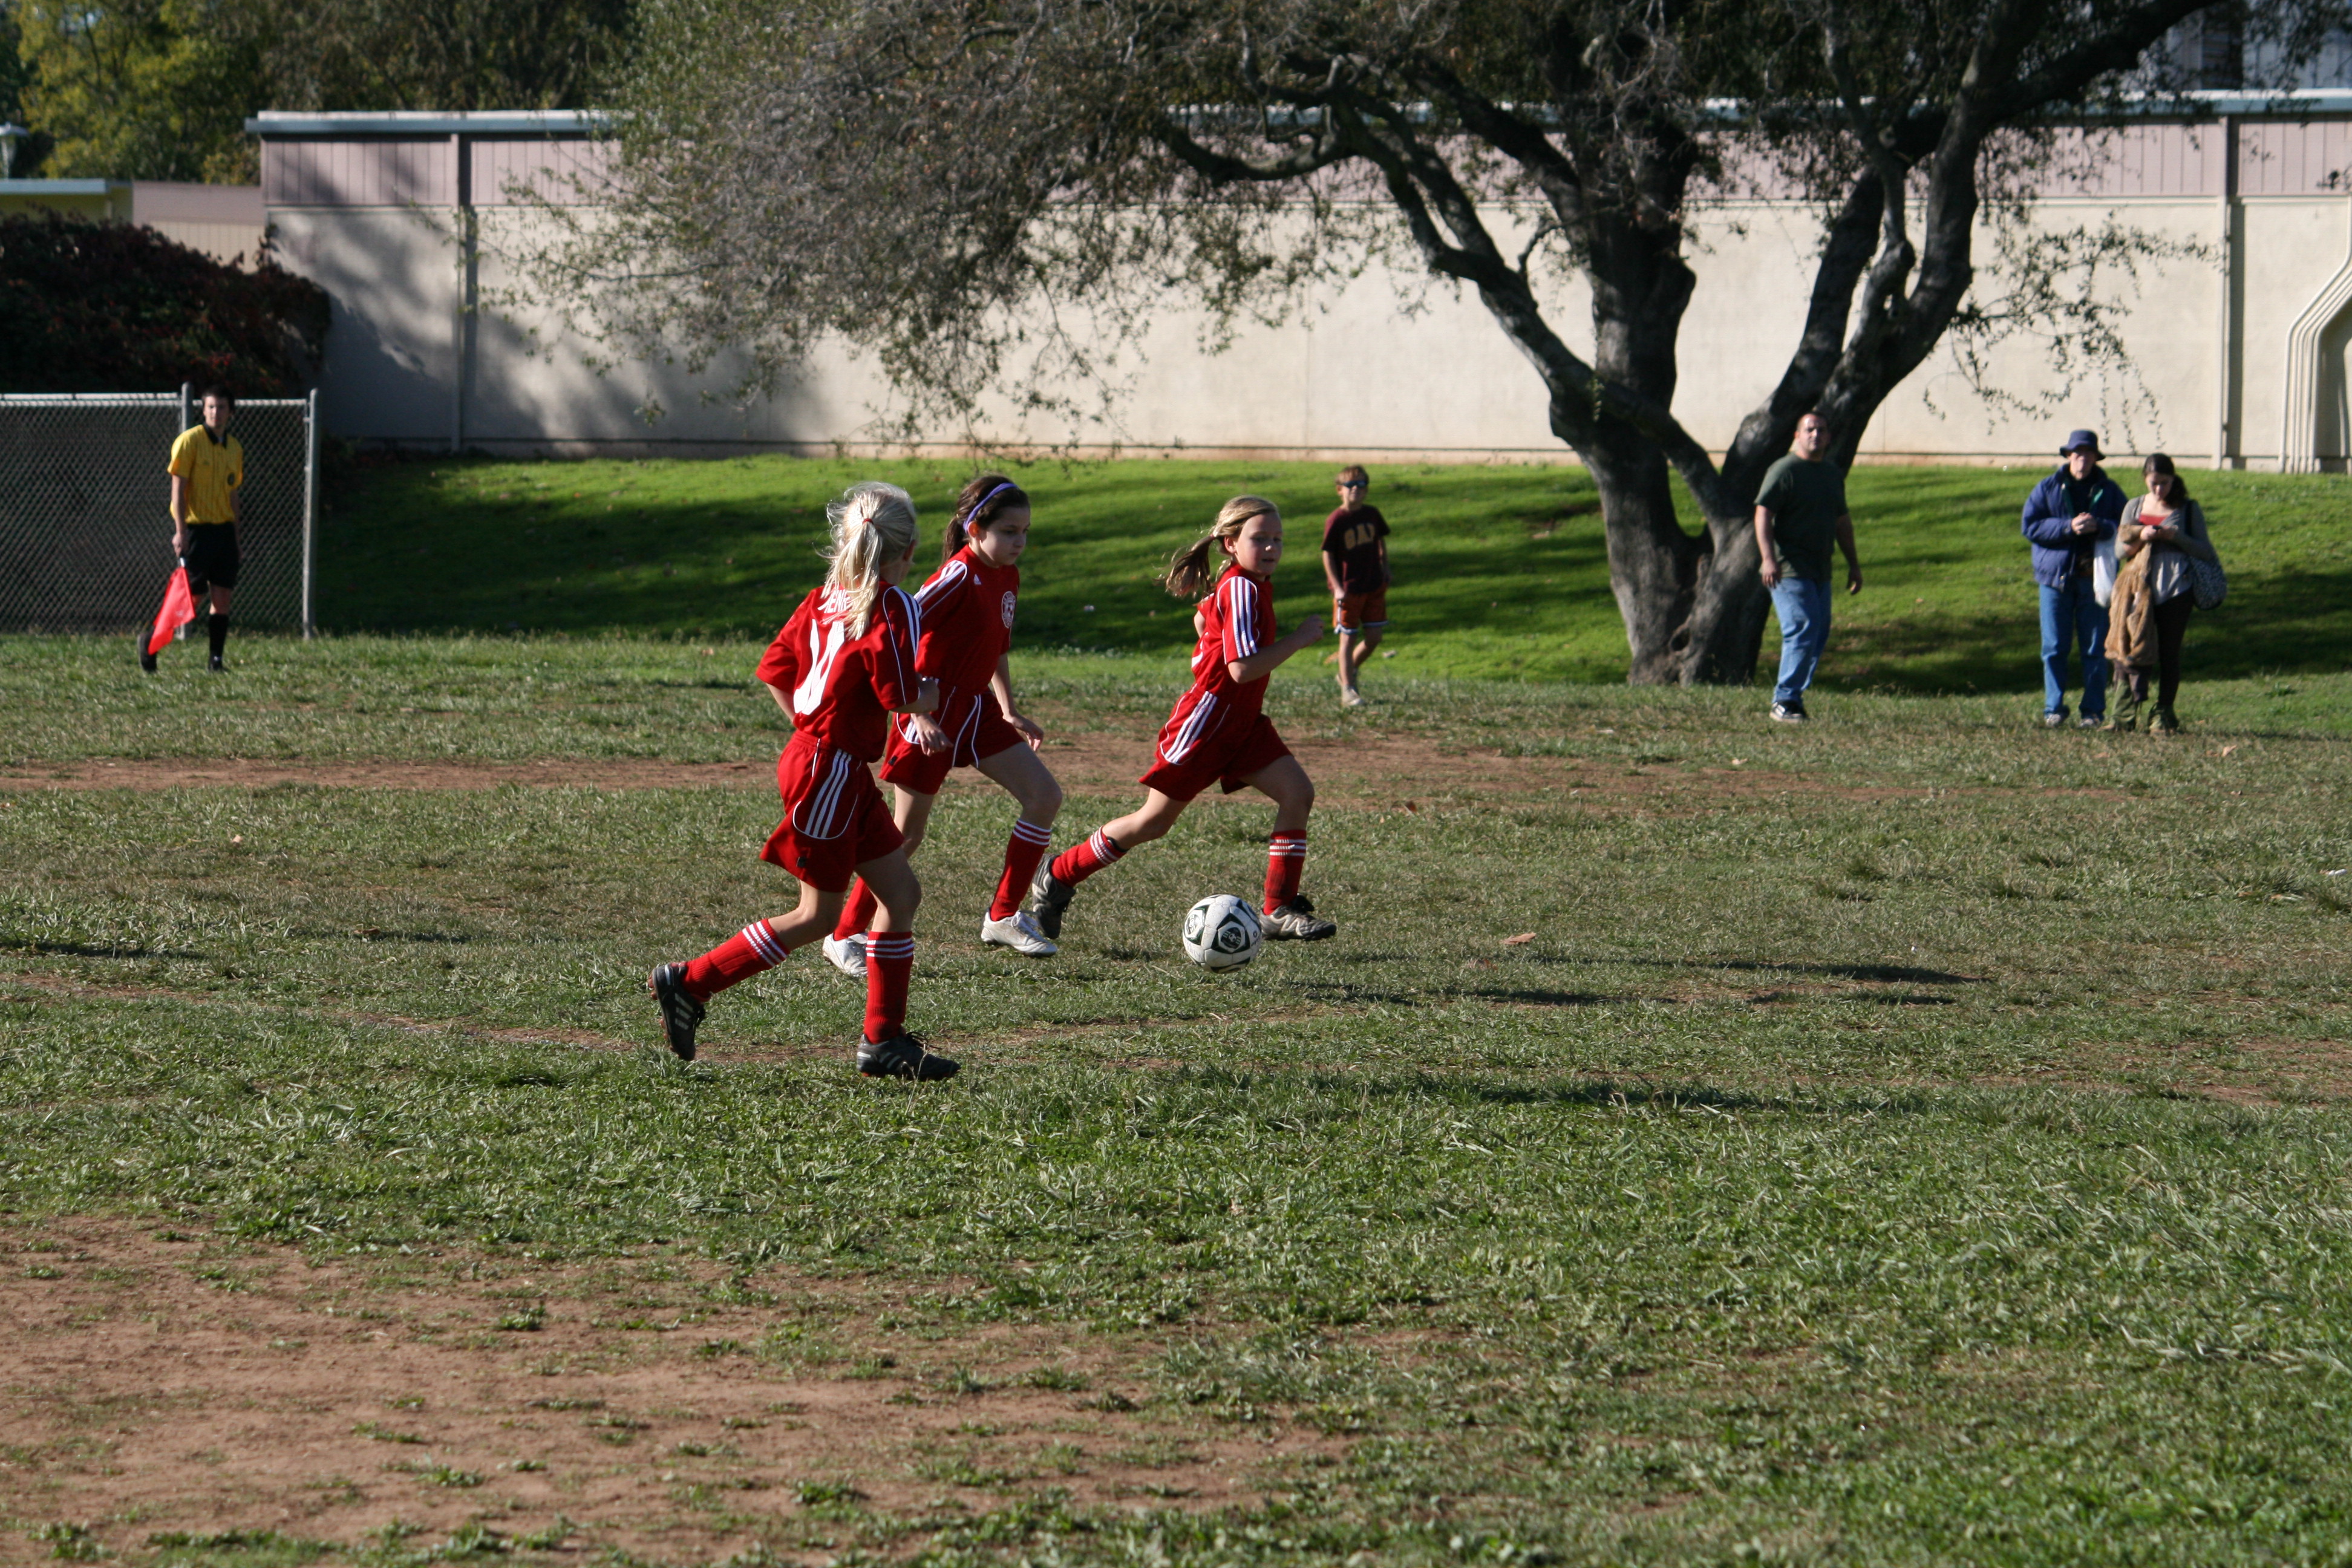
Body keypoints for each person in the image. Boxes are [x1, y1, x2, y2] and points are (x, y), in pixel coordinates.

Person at [647, 482, 959, 1082]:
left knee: (900, 896)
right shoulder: (891, 603)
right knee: (817, 916)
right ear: (910, 551)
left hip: (826, 764)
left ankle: (883, 1041)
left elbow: (775, 670)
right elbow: (900, 695)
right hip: (828, 770)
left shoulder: (824, 598)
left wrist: (810, 732)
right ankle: (691, 982)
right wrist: (932, 693)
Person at [1028, 495, 1337, 942]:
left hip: (1242, 723)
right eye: (1260, 539)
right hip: (1206, 725)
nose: (1271, 547)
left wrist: (1213, 635)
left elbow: (1202, 619)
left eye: (1278, 539)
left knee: (1297, 793)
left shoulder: (1247, 584)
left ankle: (1277, 909)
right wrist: (1299, 638)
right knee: (1152, 823)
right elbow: (1241, 669)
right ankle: (1059, 874)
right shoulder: (1242, 588)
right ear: (1230, 543)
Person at [823, 475, 1063, 976]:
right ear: (975, 529)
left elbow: (996, 648)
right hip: (931, 711)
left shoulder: (1007, 575)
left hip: (976, 710)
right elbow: (897, 631)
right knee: (905, 836)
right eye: (1009, 531)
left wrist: (1009, 709)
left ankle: (1003, 916)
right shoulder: (956, 576)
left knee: (1044, 797)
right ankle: (843, 934)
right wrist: (916, 712)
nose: (1019, 542)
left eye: (1025, 532)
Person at [1753, 411, 1862, 722]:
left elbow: (1842, 522)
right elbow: (1763, 513)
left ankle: (1794, 698)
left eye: (1822, 430)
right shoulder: (1785, 470)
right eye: (1810, 429)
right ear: (1797, 436)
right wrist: (1768, 558)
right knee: (1802, 628)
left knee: (1818, 633)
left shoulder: (1831, 473)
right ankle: (1784, 700)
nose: (1816, 435)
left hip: (1820, 568)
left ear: (1829, 437)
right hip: (1788, 568)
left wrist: (1854, 565)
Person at [2020, 429, 2126, 729]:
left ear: (2096, 457)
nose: (2083, 459)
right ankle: (2053, 709)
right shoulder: (2048, 487)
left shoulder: (2110, 490)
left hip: (2095, 580)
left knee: (2095, 649)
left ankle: (2093, 712)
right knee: (2054, 647)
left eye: (2088, 453)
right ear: (2068, 456)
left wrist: (2101, 526)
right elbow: (2030, 527)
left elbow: (2126, 524)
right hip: (2054, 580)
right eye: (2077, 453)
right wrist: (2068, 527)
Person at [2104, 453, 2216, 735]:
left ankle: (2163, 715)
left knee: (2169, 653)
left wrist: (2176, 537)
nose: (2159, 489)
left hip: (2177, 589)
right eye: (2154, 483)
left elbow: (2205, 551)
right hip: (2136, 592)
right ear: (2145, 479)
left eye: (2165, 483)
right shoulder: (2134, 506)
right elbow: (2119, 551)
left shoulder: (2188, 509)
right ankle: (2122, 716)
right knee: (2126, 649)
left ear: (2173, 480)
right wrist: (2142, 537)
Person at [147, 385, 243, 674]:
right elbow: (178, 490)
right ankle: (151, 642)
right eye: (211, 407)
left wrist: (236, 538)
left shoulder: (234, 448)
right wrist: (181, 531)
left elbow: (233, 494)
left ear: (231, 411)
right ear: (203, 410)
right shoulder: (189, 441)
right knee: (191, 596)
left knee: (222, 598)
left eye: (222, 407)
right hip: (197, 530)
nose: (216, 413)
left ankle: (216, 661)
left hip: (223, 532)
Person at [1321, 465, 1390, 707]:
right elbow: (1328, 554)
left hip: (1373, 584)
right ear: (1339, 490)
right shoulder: (1337, 520)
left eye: (1361, 485)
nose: (1356, 490)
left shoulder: (1372, 514)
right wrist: (1337, 587)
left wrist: (1385, 567)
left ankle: (1346, 673)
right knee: (1347, 640)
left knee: (1374, 637)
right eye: (1350, 485)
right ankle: (1348, 690)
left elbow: (1380, 541)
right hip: (1349, 589)